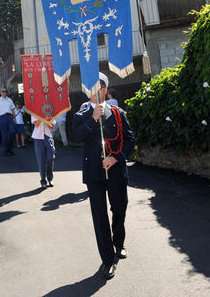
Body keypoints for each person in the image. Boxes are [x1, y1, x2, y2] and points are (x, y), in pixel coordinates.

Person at [72, 72, 135, 280]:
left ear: (105, 90)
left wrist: (116, 157)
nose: (93, 90)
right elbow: (76, 137)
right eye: (90, 86)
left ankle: (119, 243)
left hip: (115, 170)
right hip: (94, 172)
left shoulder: (118, 112)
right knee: (100, 217)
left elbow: (129, 139)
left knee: (119, 209)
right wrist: (93, 119)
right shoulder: (81, 115)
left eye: (98, 86)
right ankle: (107, 260)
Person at [32, 115, 56, 189]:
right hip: (38, 138)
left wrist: (47, 121)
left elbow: (52, 128)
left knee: (51, 158)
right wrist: (41, 117)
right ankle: (43, 181)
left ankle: (50, 178)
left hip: (48, 137)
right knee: (41, 160)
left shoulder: (50, 112)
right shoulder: (34, 113)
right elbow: (36, 125)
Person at [0, 88, 16, 156]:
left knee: (12, 132)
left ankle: (10, 148)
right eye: (3, 91)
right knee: (4, 134)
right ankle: (5, 150)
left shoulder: (10, 100)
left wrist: (15, 119)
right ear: (1, 93)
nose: (4, 92)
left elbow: (12, 110)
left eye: (5, 91)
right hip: (2, 117)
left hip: (10, 117)